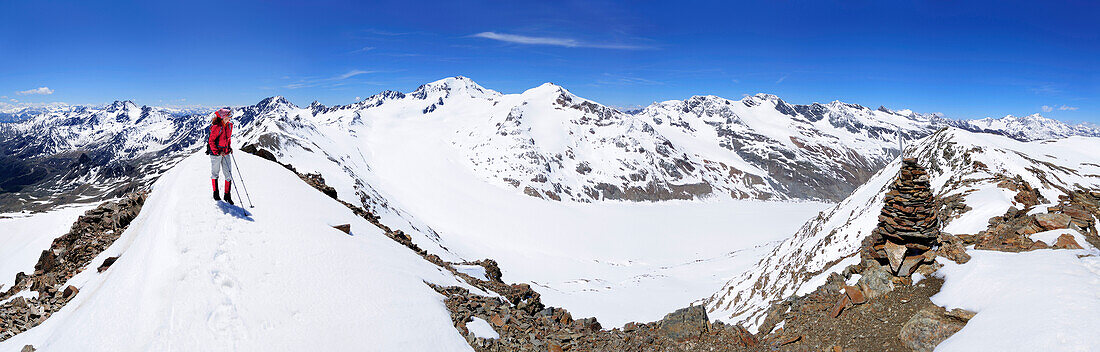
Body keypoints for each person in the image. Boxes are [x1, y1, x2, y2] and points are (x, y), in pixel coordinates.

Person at [207, 108, 234, 204]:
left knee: (228, 174)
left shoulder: (230, 126)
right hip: (216, 154)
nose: (230, 117)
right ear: (223, 117)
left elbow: (228, 139)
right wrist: (217, 152)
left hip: (226, 152)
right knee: (215, 173)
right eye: (228, 115)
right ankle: (216, 193)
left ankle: (227, 195)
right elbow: (211, 141)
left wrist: (229, 147)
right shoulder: (216, 127)